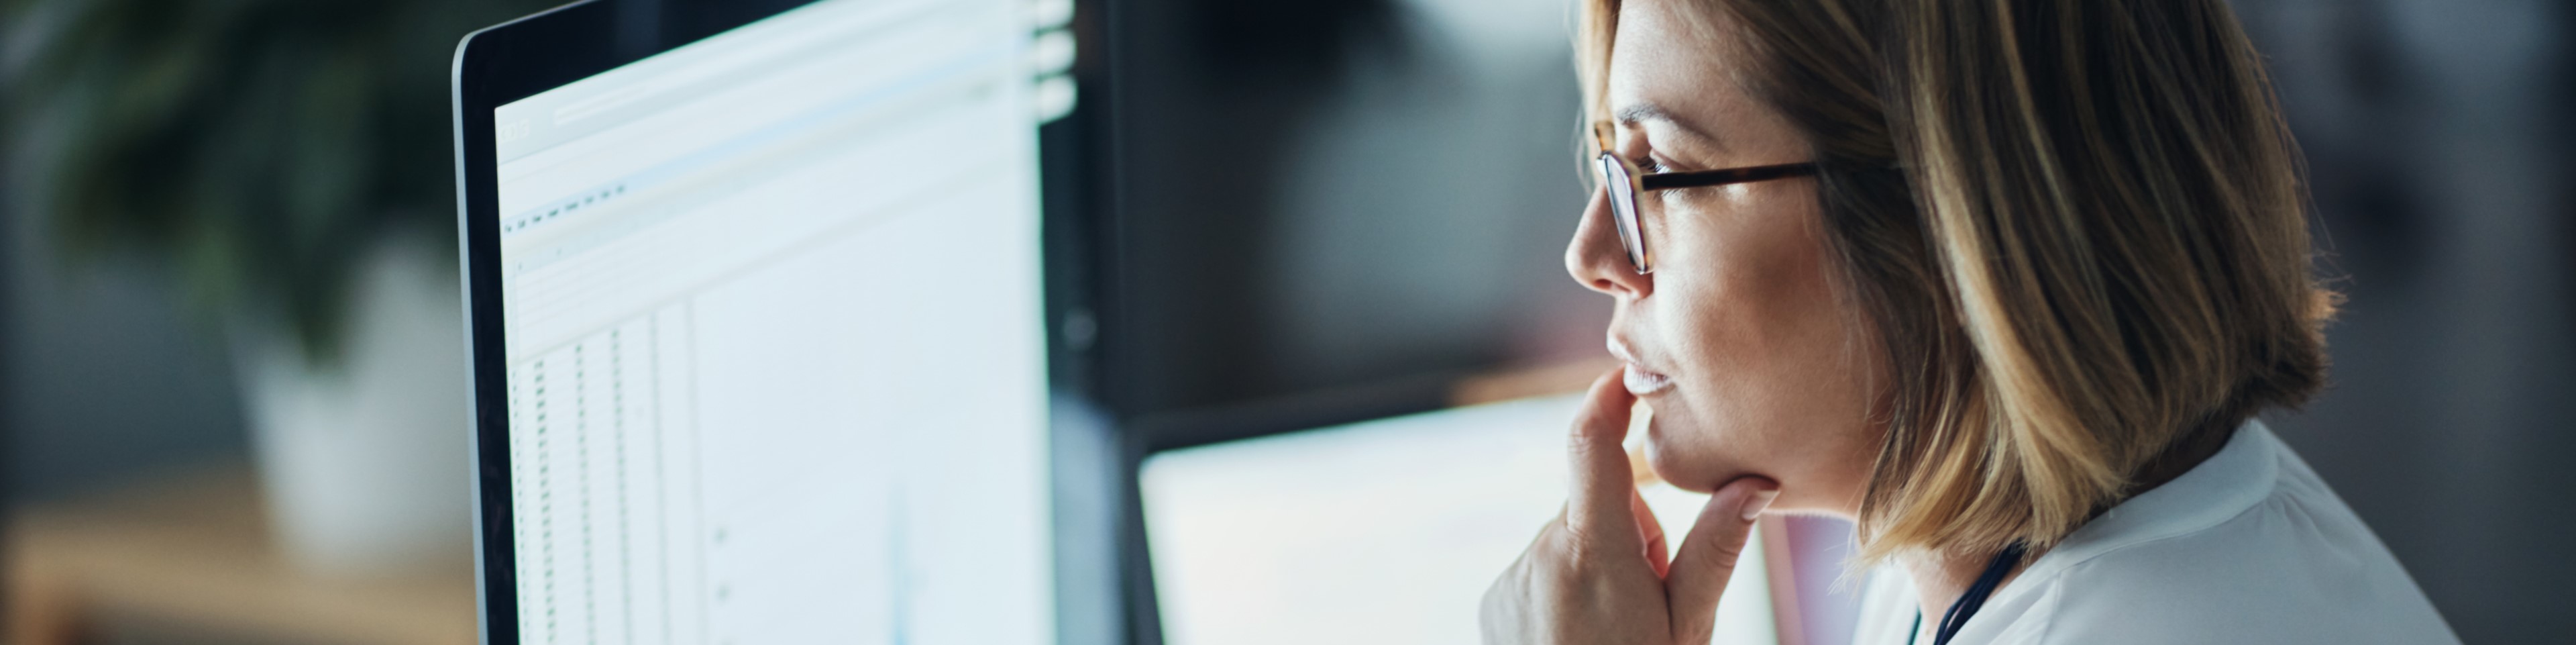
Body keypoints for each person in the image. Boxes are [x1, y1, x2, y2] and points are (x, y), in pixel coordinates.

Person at [1479, 0, 2461, 644]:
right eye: (1613, 165)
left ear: (1949, 223)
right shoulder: (1957, 567)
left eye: (1662, 175)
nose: (1592, 254)